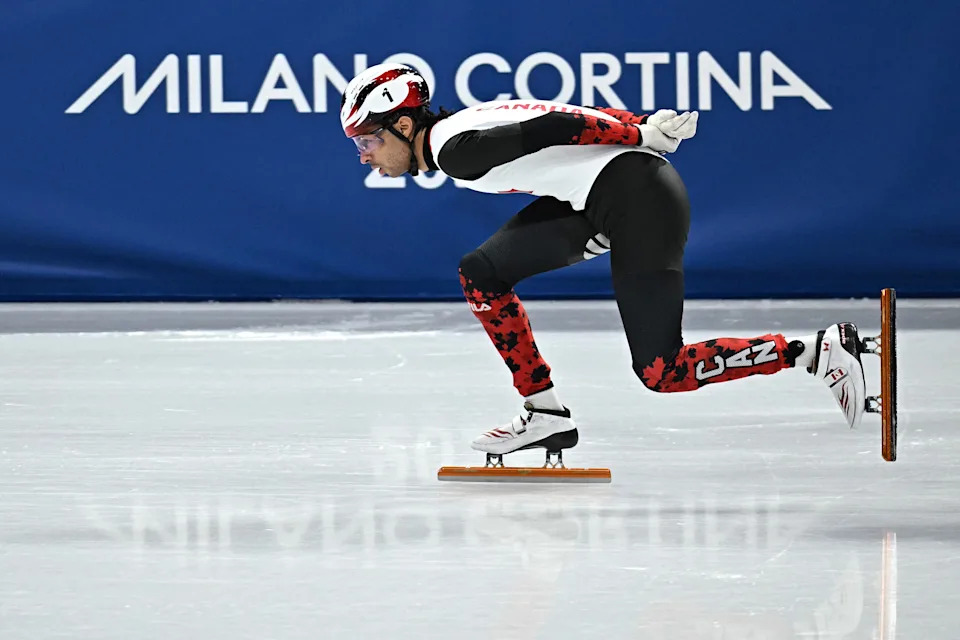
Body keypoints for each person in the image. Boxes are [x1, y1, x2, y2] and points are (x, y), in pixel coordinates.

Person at [340, 63, 866, 457]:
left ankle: (815, 351)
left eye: (367, 139)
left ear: (405, 127)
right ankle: (545, 413)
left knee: (663, 371)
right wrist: (636, 125)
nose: (364, 155)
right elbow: (562, 117)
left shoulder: (457, 151)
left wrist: (637, 133)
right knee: (481, 273)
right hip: (602, 199)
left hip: (638, 199)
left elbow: (554, 128)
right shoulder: (464, 129)